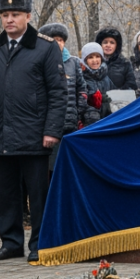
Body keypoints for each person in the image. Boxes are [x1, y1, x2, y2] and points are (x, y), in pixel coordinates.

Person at [0, 0, 66, 263]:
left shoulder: (46, 48)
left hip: (35, 135)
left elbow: (58, 93)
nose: (9, 20)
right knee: (6, 193)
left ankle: (39, 243)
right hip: (1, 135)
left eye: (15, 15)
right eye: (5, 15)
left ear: (28, 16)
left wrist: (51, 130)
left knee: (37, 196)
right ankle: (11, 243)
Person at [38, 23, 82, 171]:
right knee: (48, 167)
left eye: (61, 40)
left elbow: (81, 89)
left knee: (67, 165)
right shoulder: (38, 62)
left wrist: (76, 111)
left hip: (69, 124)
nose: (58, 43)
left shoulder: (74, 62)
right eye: (54, 39)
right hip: (45, 124)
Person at [78, 42, 112, 126]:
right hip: (89, 122)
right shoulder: (80, 77)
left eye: (97, 56)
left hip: (108, 120)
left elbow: (114, 96)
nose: (94, 60)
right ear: (85, 60)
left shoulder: (106, 77)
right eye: (90, 57)